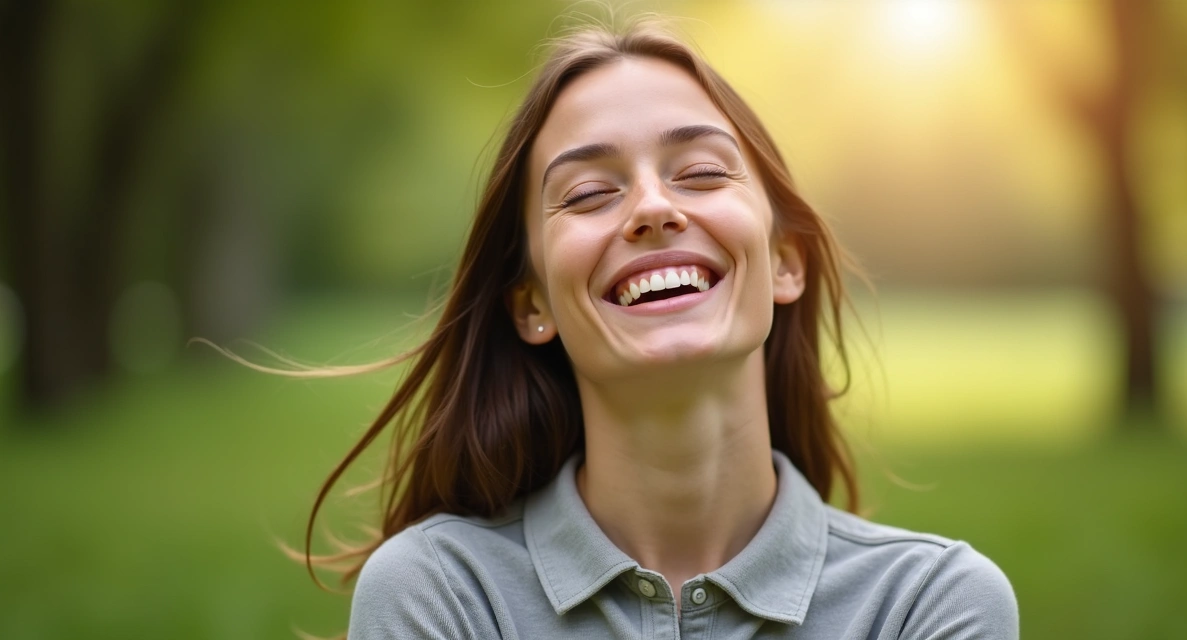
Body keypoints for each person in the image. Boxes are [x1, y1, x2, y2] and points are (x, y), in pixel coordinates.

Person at [309, 19, 1018, 640]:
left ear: (784, 262)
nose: (652, 207)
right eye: (588, 192)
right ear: (532, 306)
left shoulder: (930, 605)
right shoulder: (438, 594)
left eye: (702, 173)